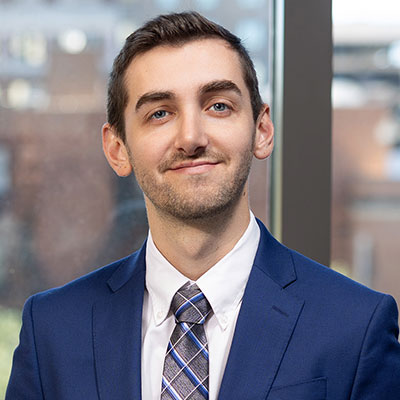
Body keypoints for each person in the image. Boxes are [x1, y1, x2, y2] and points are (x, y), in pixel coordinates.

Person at [6, 11, 400, 400]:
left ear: (261, 130)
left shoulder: (355, 327)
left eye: (218, 106)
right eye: (160, 113)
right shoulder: (53, 332)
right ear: (117, 148)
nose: (191, 137)